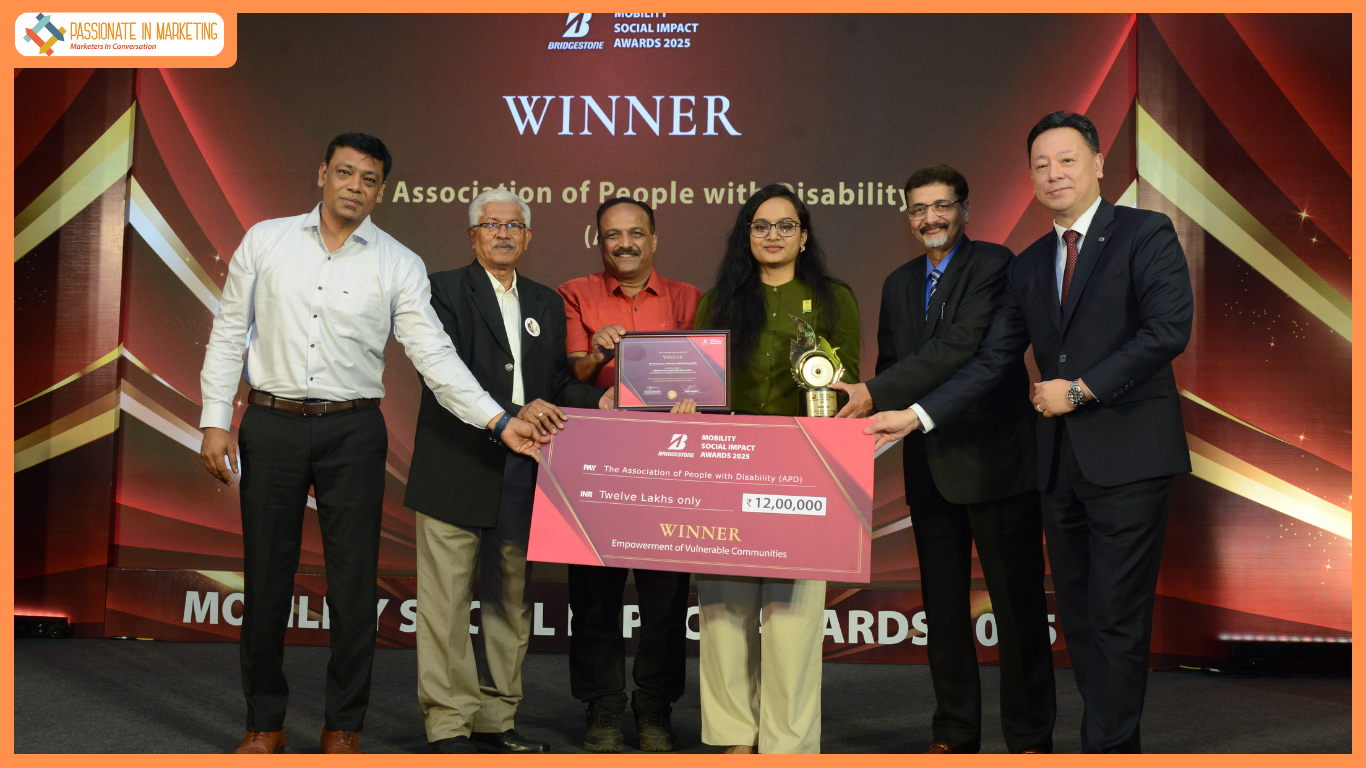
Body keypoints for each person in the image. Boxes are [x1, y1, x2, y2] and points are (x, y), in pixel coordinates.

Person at [197, 134, 546, 755]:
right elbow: (229, 331)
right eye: (345, 173)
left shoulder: (398, 262)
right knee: (267, 579)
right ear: (322, 174)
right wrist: (214, 420)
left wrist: (498, 421)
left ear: (381, 191)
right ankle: (263, 725)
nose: (354, 187)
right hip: (271, 424)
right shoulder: (266, 240)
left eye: (368, 179)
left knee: (354, 585)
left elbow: (435, 357)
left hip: (353, 432)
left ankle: (343, 727)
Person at [868, 112, 1193, 753]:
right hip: (1059, 468)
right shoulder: (1031, 262)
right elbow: (993, 359)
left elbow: (1167, 331)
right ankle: (1103, 745)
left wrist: (1079, 389)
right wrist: (918, 416)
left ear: (1098, 163)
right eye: (1041, 165)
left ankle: (1108, 752)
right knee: (1081, 619)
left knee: (1117, 617)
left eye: (1066, 160)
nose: (1053, 174)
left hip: (1130, 456)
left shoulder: (1145, 232)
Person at [829, 165, 1054, 754]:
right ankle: (954, 733)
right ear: (908, 217)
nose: (931, 218)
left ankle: (1030, 739)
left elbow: (964, 349)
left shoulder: (994, 264)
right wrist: (876, 403)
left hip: (995, 463)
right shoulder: (899, 282)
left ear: (964, 209)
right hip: (929, 468)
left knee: (1018, 609)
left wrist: (875, 394)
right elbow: (893, 363)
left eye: (942, 206)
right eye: (919, 209)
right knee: (944, 610)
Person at [403, 189, 612, 754]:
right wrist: (518, 410)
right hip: (455, 463)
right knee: (446, 604)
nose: (502, 233)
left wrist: (600, 399)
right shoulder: (441, 291)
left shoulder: (545, 300)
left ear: (527, 237)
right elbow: (443, 376)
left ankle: (496, 720)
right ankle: (449, 723)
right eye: (491, 224)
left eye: (513, 225)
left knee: (510, 601)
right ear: (472, 235)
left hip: (523, 469)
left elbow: (556, 387)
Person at [693, 183, 859, 754]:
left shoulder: (834, 299)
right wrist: (687, 402)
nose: (772, 235)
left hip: (804, 469)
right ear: (746, 235)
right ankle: (734, 739)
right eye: (760, 226)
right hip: (727, 467)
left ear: (804, 236)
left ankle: (787, 745)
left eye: (785, 225)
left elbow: (846, 384)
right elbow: (700, 383)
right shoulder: (716, 301)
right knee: (723, 612)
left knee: (793, 620)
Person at [556, 198, 701, 752]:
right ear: (599, 241)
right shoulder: (574, 293)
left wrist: (697, 398)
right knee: (594, 595)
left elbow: (710, 377)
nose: (625, 244)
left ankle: (655, 707)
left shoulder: (691, 299)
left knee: (666, 598)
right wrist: (596, 356)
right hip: (597, 460)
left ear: (654, 239)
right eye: (612, 235)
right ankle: (602, 708)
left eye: (635, 233)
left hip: (670, 467)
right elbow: (567, 375)